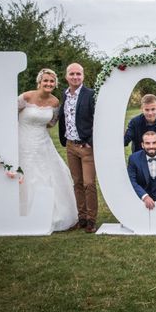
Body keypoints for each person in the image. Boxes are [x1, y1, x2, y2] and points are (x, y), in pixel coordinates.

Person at [18, 68, 78, 231]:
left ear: (55, 84)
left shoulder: (55, 102)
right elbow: (9, 114)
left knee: (48, 174)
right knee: (27, 175)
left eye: (52, 81)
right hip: (23, 142)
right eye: (45, 80)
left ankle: (52, 214)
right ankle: (23, 213)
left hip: (42, 142)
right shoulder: (26, 97)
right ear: (39, 82)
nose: (48, 84)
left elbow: (52, 123)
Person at [58, 63, 98, 233]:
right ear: (66, 76)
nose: (75, 77)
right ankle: (81, 218)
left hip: (86, 146)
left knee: (89, 183)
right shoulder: (65, 95)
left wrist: (89, 140)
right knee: (77, 183)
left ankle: (91, 220)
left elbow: (98, 118)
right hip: (70, 146)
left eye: (78, 74)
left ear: (83, 76)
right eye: (72, 74)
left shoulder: (90, 95)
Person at [127, 131, 156, 210]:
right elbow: (131, 180)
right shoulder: (134, 158)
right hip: (141, 202)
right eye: (147, 143)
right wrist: (144, 196)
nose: (151, 146)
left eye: (154, 143)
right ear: (142, 145)